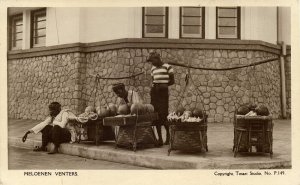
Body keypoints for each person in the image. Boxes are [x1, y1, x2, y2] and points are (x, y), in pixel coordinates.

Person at [147, 51, 175, 146]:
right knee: (156, 116)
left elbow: (172, 81)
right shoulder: (153, 69)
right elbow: (153, 81)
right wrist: (153, 88)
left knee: (164, 115)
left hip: (163, 93)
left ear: (157, 58)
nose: (152, 63)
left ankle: (168, 136)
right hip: (155, 93)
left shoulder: (167, 67)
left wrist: (164, 85)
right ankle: (159, 139)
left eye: (152, 60)